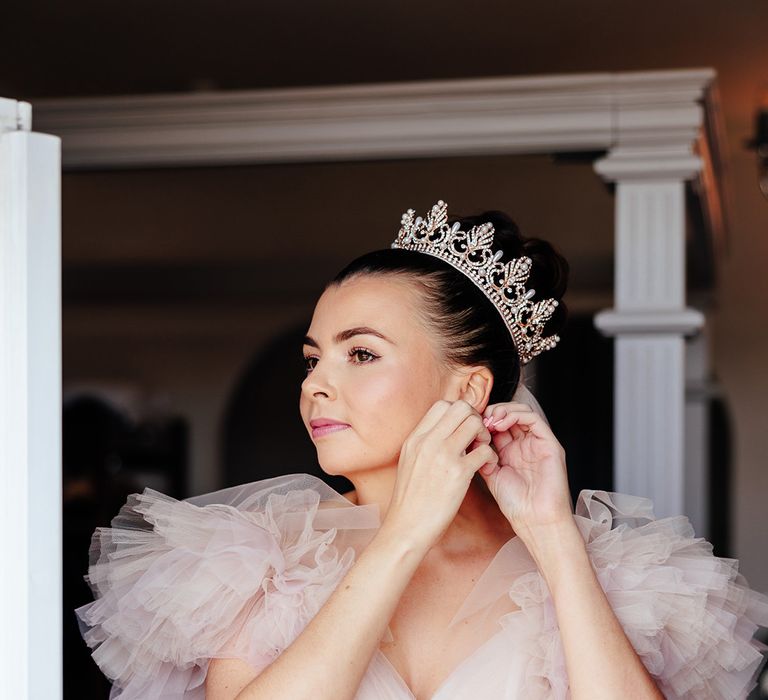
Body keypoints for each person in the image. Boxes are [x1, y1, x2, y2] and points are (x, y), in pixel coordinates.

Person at [76, 200, 768, 699]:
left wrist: (556, 540)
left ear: (470, 388)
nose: (317, 384)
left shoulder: (612, 573)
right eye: (313, 359)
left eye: (362, 354)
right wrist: (402, 534)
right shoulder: (260, 559)